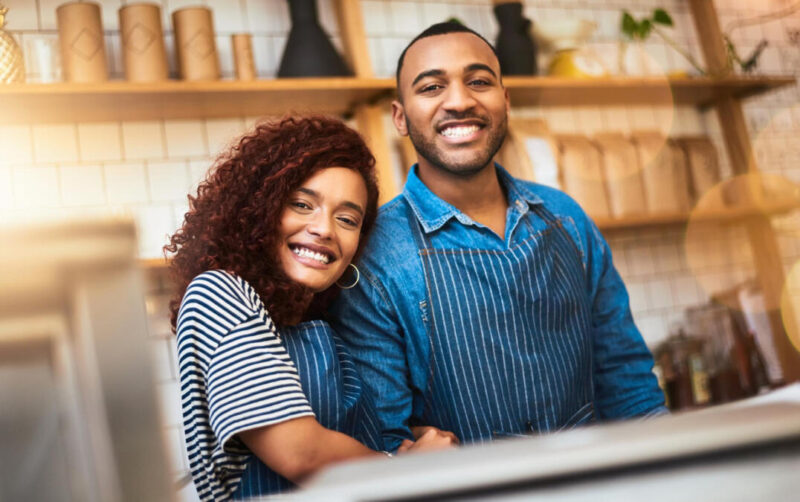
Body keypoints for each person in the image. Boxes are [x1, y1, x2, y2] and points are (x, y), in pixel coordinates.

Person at [331, 22, 668, 451]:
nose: (460, 100)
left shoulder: (565, 218)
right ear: (400, 117)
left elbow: (627, 381)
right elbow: (383, 437)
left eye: (478, 81)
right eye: (432, 87)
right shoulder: (375, 256)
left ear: (505, 101)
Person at [166, 116, 456, 501]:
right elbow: (301, 453)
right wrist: (407, 467)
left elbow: (354, 440)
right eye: (302, 204)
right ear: (258, 210)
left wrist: (410, 440)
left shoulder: (320, 321)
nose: (325, 229)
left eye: (347, 218)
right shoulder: (219, 294)